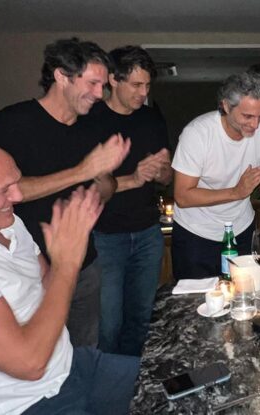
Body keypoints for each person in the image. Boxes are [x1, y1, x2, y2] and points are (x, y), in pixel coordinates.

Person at [0, 38, 131, 347]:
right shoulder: (14, 122)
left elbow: (105, 189)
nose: (100, 94)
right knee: (42, 355)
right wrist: (83, 170)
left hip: (85, 262)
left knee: (85, 350)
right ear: (61, 76)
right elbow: (10, 191)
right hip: (31, 270)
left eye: (103, 85)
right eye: (92, 83)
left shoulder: (91, 127)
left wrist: (104, 180)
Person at [0, 144, 139, 415]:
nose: (19, 195)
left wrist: (68, 245)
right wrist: (67, 263)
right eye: (4, 190)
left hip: (74, 367)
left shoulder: (12, 225)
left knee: (168, 383)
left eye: (16, 183)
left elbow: (49, 286)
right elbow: (30, 363)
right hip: (30, 404)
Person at [80, 45, 172, 356]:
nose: (144, 93)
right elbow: (84, 185)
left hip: (148, 232)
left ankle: (133, 379)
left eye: (147, 85)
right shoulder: (89, 119)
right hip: (105, 236)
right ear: (113, 80)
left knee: (141, 319)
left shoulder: (152, 118)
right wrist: (134, 176)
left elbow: (167, 177)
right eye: (136, 85)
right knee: (108, 325)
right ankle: (108, 381)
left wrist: (161, 171)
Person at [171, 71, 260, 279]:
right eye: (247, 116)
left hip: (242, 229)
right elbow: (182, 196)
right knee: (196, 297)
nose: (255, 125)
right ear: (225, 106)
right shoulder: (198, 133)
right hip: (196, 233)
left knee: (246, 292)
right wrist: (236, 192)